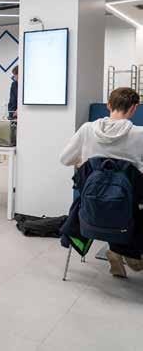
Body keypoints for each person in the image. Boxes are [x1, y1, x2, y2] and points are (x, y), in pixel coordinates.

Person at [60, 87, 143, 277]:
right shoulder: (139, 134)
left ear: (109, 105)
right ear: (134, 108)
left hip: (90, 208)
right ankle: (128, 252)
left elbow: (65, 159)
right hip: (128, 209)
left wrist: (85, 163)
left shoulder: (87, 129)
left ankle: (117, 251)